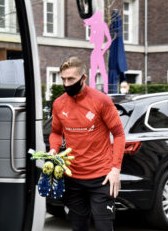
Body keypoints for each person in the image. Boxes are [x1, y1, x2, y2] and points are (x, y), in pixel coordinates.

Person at [49, 57, 125, 231]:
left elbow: (119, 135)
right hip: (73, 177)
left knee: (103, 227)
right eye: (64, 79)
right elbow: (55, 132)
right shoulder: (59, 104)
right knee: (78, 227)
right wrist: (53, 150)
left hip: (101, 178)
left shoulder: (101, 101)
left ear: (83, 78)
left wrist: (115, 169)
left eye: (71, 79)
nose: (67, 84)